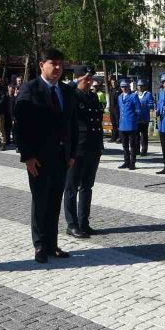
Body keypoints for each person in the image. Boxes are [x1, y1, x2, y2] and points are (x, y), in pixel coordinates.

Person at [14, 48, 77, 264]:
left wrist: (73, 153)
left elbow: (73, 125)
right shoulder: (30, 89)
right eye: (53, 64)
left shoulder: (67, 91)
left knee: (55, 201)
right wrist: (28, 156)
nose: (58, 68)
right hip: (39, 159)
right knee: (40, 201)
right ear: (42, 65)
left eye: (61, 64)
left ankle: (52, 244)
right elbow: (20, 127)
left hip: (61, 157)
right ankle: (40, 245)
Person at [63, 65, 103, 239]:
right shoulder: (71, 96)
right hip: (77, 149)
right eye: (86, 79)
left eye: (90, 79)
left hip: (93, 147)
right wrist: (75, 81)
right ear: (78, 79)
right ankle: (72, 225)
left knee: (87, 186)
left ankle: (83, 222)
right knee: (71, 187)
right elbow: (63, 90)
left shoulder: (92, 97)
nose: (90, 82)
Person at [117, 79, 141, 169]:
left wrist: (134, 119)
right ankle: (126, 161)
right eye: (122, 87)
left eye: (125, 86)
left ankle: (132, 163)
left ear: (128, 87)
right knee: (125, 146)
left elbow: (138, 110)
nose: (124, 88)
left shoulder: (133, 96)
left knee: (132, 145)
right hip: (122, 125)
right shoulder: (120, 97)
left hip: (131, 124)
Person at [136, 79, 155, 156]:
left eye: (142, 86)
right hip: (136, 118)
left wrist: (146, 105)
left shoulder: (148, 94)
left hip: (144, 118)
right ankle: (136, 150)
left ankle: (144, 150)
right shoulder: (135, 94)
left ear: (144, 87)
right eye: (139, 86)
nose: (140, 87)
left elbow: (152, 105)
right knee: (136, 136)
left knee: (144, 135)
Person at [108, 78, 121, 142]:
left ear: (116, 82)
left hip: (117, 109)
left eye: (114, 82)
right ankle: (114, 137)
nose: (113, 84)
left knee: (118, 123)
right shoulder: (111, 90)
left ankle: (120, 137)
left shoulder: (119, 90)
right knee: (113, 124)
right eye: (112, 83)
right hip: (112, 109)